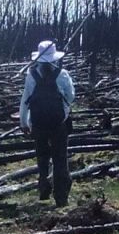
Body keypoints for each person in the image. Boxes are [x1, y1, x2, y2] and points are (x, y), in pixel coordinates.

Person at [18, 39, 76, 207]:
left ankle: (44, 187)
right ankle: (61, 197)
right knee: (60, 159)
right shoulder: (62, 74)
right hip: (59, 123)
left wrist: (24, 122)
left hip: (38, 123)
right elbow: (71, 97)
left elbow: (25, 101)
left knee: (42, 158)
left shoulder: (32, 76)